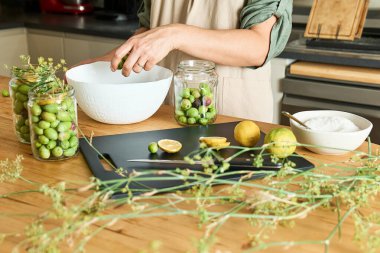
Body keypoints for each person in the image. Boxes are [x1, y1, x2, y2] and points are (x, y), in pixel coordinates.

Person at [81, 0, 292, 123]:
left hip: (234, 119)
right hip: (162, 114)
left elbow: (258, 46)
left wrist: (176, 35)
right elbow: (148, 37)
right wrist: (92, 68)